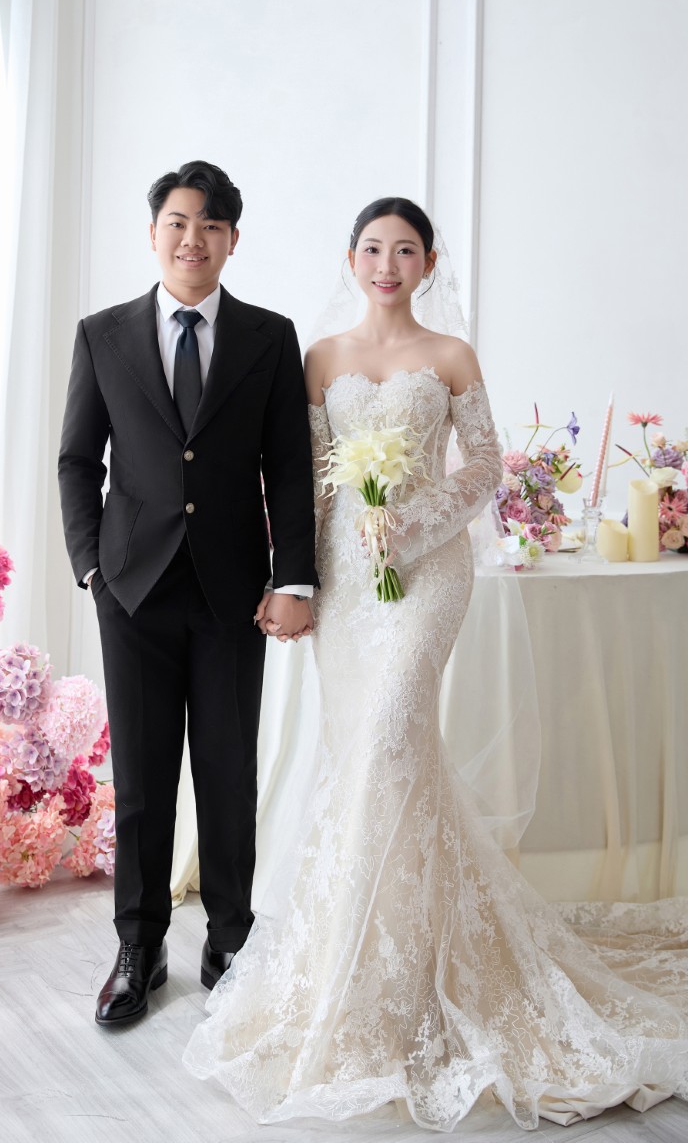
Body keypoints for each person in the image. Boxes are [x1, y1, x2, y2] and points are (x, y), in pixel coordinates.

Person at [184, 197, 688, 1129]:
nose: (388, 263)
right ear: (352, 258)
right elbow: (303, 476)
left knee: (390, 736)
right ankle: (375, 954)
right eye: (374, 248)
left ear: (427, 264)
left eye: (406, 250)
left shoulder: (451, 355)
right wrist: (296, 577)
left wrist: (412, 522)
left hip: (429, 573)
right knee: (372, 758)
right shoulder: (320, 357)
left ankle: (412, 969)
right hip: (347, 575)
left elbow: (487, 465)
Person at [58, 160, 317, 1027]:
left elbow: (289, 467)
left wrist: (292, 577)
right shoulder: (102, 334)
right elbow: (77, 460)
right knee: (141, 781)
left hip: (234, 594)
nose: (192, 238)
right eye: (177, 221)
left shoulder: (269, 337)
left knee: (228, 773)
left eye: (210, 225)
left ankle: (230, 941)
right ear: (153, 232)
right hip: (132, 591)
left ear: (232, 239)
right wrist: (92, 567)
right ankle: (139, 948)